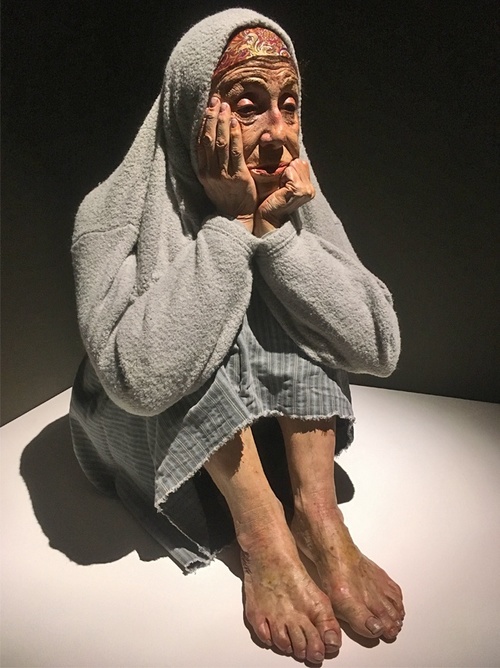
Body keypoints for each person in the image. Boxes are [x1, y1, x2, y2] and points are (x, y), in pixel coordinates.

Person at [70, 8, 404, 664]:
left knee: (296, 286)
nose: (278, 133)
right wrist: (229, 229)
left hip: (256, 422)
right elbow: (142, 377)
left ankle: (317, 515)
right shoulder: (108, 214)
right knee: (204, 306)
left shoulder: (291, 183)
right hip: (136, 427)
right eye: (248, 106)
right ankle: (263, 534)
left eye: (290, 104)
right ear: (192, 108)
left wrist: (277, 238)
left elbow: (376, 344)